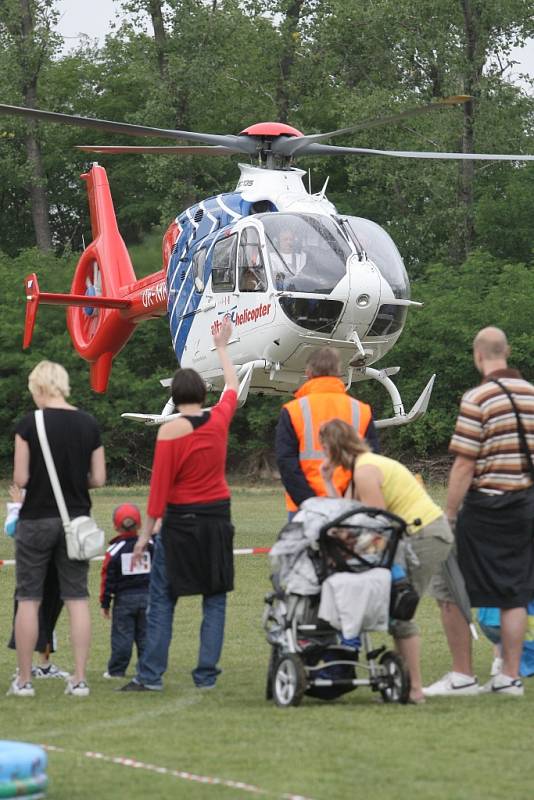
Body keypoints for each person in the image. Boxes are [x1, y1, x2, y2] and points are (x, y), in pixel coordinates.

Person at [120, 317, 238, 692]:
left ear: (175, 396)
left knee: (163, 599)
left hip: (180, 523)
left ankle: (150, 676)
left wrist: (144, 535)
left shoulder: (169, 429)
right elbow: (234, 386)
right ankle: (206, 677)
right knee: (214, 599)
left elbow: (159, 489)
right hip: (217, 518)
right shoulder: (219, 418)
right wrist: (221, 346)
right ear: (203, 394)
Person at [425, 326, 534, 698]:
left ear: (478, 356)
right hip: (524, 506)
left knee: (451, 586)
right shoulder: (532, 395)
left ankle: (462, 676)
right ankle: (509, 677)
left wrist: (450, 514)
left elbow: (463, 465)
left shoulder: (478, 398)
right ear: (506, 351)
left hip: (484, 506)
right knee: (515, 592)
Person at [319, 418, 455, 704]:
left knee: (401, 609)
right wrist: (329, 481)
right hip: (417, 534)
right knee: (397, 610)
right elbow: (345, 513)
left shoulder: (366, 471)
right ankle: (406, 685)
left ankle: (414, 689)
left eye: (324, 448)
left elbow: (378, 524)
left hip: (425, 535)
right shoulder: (363, 466)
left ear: (333, 447)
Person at [8, 360, 106, 697]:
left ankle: (24, 680)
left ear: (38, 388)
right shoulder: (88, 424)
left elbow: (21, 479)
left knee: (29, 598)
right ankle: (78, 679)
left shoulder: (28, 424)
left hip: (35, 519)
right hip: (75, 521)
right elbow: (99, 478)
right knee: (77, 598)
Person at [275, 346, 379, 519]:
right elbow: (371, 461)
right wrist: (350, 497)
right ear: (338, 372)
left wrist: (308, 501)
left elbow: (286, 462)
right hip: (351, 504)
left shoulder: (293, 410)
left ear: (308, 373)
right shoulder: (361, 410)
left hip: (304, 507)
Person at [5, 485, 68, 679]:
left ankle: (42, 665)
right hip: (37, 571)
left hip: (42, 570)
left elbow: (12, 529)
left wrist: (17, 506)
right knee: (37, 617)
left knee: (43, 618)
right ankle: (32, 666)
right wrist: (17, 506)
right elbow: (11, 529)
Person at [100, 503, 154, 679]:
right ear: (139, 525)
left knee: (122, 637)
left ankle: (116, 671)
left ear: (116, 526)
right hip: (149, 598)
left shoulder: (113, 550)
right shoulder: (150, 545)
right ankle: (147, 670)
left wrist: (105, 602)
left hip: (123, 602)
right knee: (146, 637)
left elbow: (108, 578)